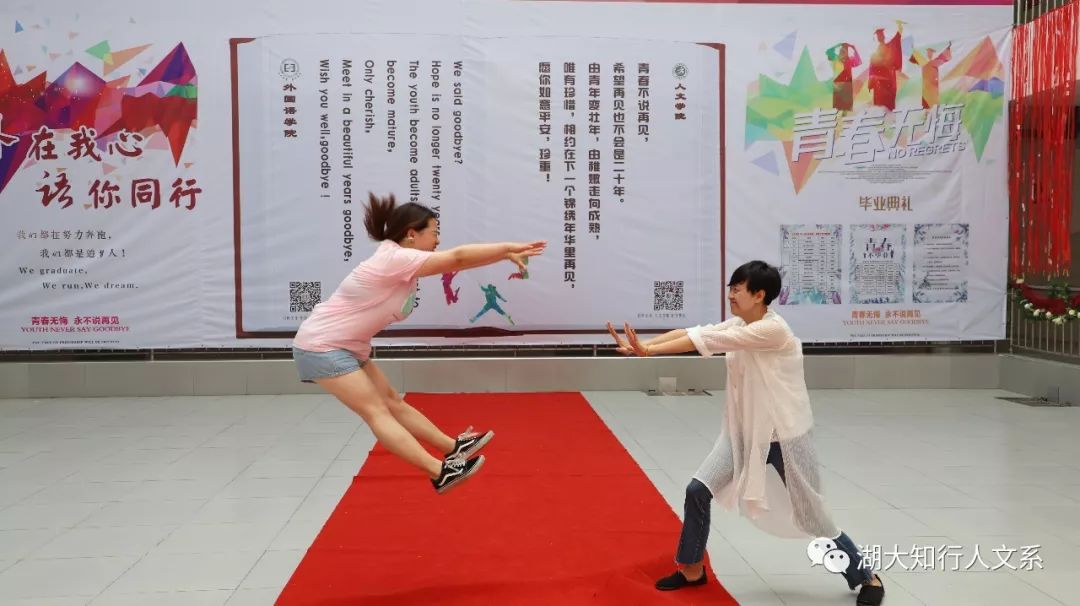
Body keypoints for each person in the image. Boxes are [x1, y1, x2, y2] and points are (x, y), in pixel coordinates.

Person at [606, 261, 885, 606]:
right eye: (731, 288)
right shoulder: (742, 323)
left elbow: (706, 340)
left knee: (813, 516)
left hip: (784, 437)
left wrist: (648, 350)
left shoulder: (772, 330)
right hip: (745, 432)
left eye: (738, 289)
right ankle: (691, 569)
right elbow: (695, 332)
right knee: (697, 491)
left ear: (759, 295)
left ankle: (866, 577)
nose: (731, 294)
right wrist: (643, 346)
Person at [292, 193, 546, 494]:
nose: (438, 240)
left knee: (392, 402)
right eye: (434, 232)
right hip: (322, 345)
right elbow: (458, 258)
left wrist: (503, 256)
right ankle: (439, 472)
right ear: (412, 234)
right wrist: (508, 248)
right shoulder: (394, 259)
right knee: (377, 411)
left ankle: (453, 447)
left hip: (348, 345)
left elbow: (459, 262)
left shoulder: (400, 260)